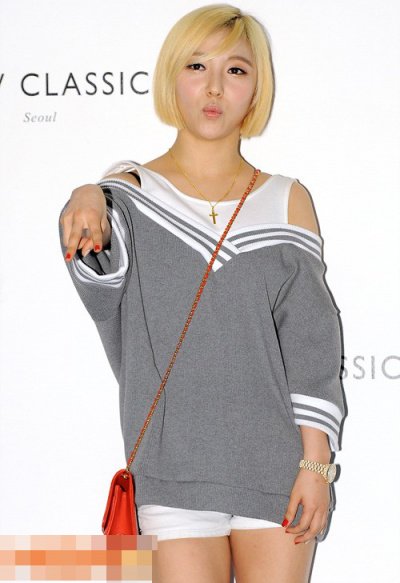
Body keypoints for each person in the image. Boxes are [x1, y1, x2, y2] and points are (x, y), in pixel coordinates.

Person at [58, 4, 346, 582]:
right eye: (197, 65)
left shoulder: (288, 200)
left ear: (256, 87)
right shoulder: (126, 200)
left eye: (235, 70)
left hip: (276, 471)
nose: (214, 87)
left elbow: (311, 346)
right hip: (171, 473)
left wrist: (316, 465)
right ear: (172, 78)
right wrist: (88, 193)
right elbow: (103, 293)